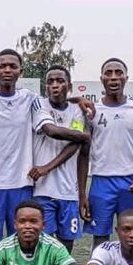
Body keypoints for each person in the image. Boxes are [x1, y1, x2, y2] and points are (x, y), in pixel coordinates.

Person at [0, 49, 91, 265]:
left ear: (21, 71)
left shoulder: (30, 99)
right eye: (2, 65)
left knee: (32, 246)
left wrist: (78, 99)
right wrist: (85, 136)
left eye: (12, 66)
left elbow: (58, 106)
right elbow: (51, 128)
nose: (7, 70)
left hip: (22, 183)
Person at [78, 58, 133, 249]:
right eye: (108, 73)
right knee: (100, 238)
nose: (113, 77)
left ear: (126, 78)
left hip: (131, 183)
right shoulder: (91, 111)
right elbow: (83, 154)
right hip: (101, 182)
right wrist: (82, 194)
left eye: (118, 73)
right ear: (101, 79)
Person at [31, 65, 87, 253]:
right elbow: (52, 131)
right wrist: (84, 136)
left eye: (60, 81)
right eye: (50, 82)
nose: (55, 85)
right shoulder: (39, 105)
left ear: (69, 86)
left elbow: (75, 143)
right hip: (43, 190)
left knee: (66, 246)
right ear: (45, 87)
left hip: (68, 191)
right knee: (43, 246)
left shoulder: (77, 111)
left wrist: (47, 167)